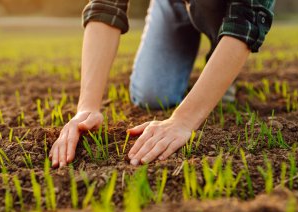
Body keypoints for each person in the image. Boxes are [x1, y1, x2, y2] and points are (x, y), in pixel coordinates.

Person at [49, 0, 275, 168]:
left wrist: (183, 120)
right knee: (153, 94)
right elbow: (105, 6)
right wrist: (87, 108)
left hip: (225, 8)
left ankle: (223, 60)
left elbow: (246, 20)